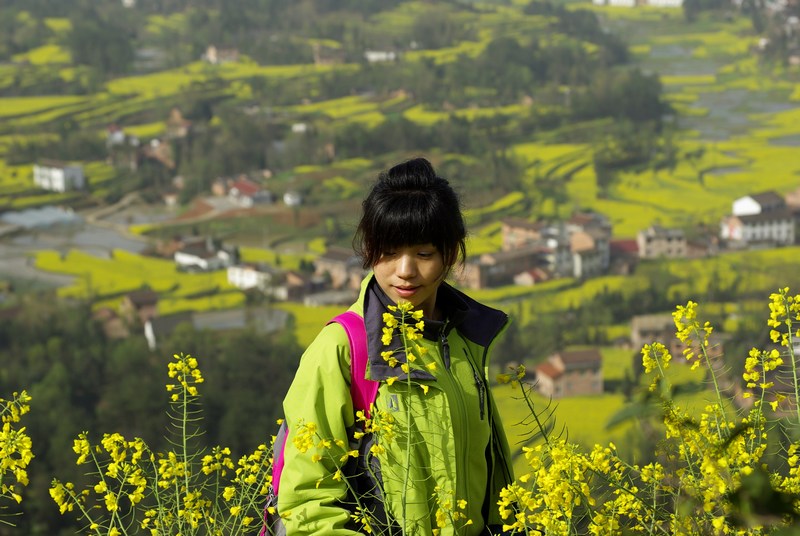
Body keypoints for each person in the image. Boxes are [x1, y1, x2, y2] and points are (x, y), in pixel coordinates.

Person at [277, 157, 514, 535]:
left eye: (423, 254)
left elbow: (492, 481)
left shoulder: (463, 341)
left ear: (449, 255)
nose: (405, 271)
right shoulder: (343, 348)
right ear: (370, 251)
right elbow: (307, 503)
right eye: (388, 253)